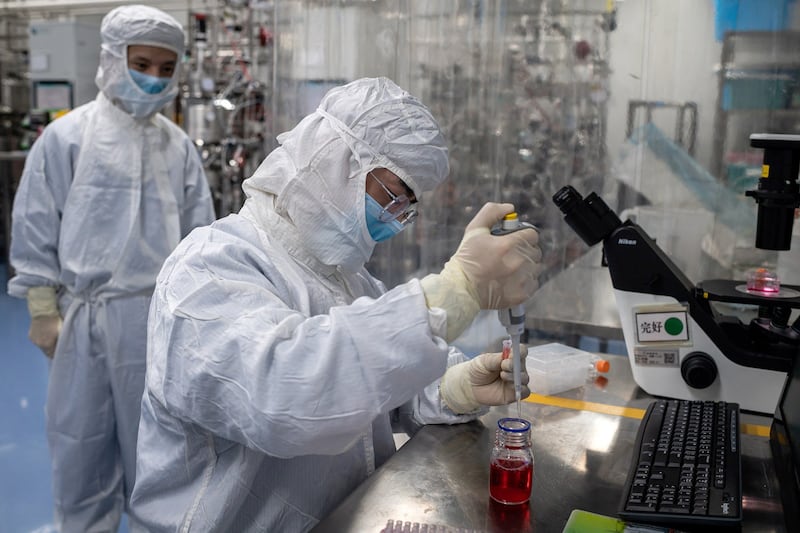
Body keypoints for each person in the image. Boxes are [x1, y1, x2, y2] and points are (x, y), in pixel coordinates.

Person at [130, 76, 542, 532]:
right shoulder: (208, 267)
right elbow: (289, 396)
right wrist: (454, 292)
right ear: (335, 158)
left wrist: (451, 387)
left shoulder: (346, 278)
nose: (398, 216)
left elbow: (372, 388)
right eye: (393, 193)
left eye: (409, 204)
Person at [6, 5, 216, 532]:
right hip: (86, 322)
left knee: (163, 455)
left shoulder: (179, 147)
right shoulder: (67, 137)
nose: (153, 78)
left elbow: (201, 239)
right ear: (111, 59)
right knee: (82, 448)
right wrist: (40, 306)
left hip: (162, 323)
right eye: (141, 63)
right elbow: (36, 222)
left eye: (166, 69)